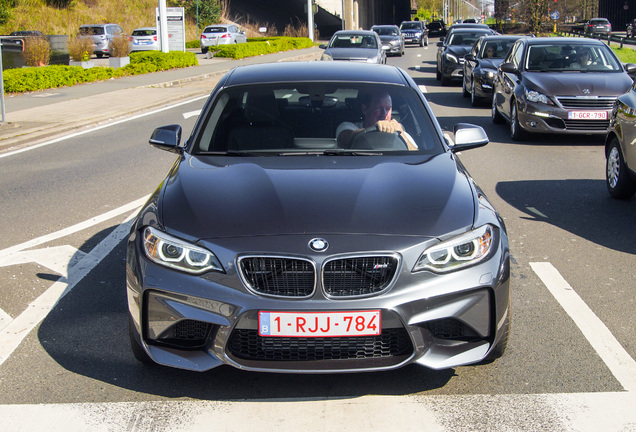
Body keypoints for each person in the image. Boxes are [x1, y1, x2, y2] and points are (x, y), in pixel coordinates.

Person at [336, 90, 417, 150]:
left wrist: (402, 135)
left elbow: (417, 156)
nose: (384, 113)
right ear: (365, 109)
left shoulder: (398, 130)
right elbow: (345, 138)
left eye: (388, 108)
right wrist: (376, 129)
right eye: (379, 108)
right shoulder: (349, 126)